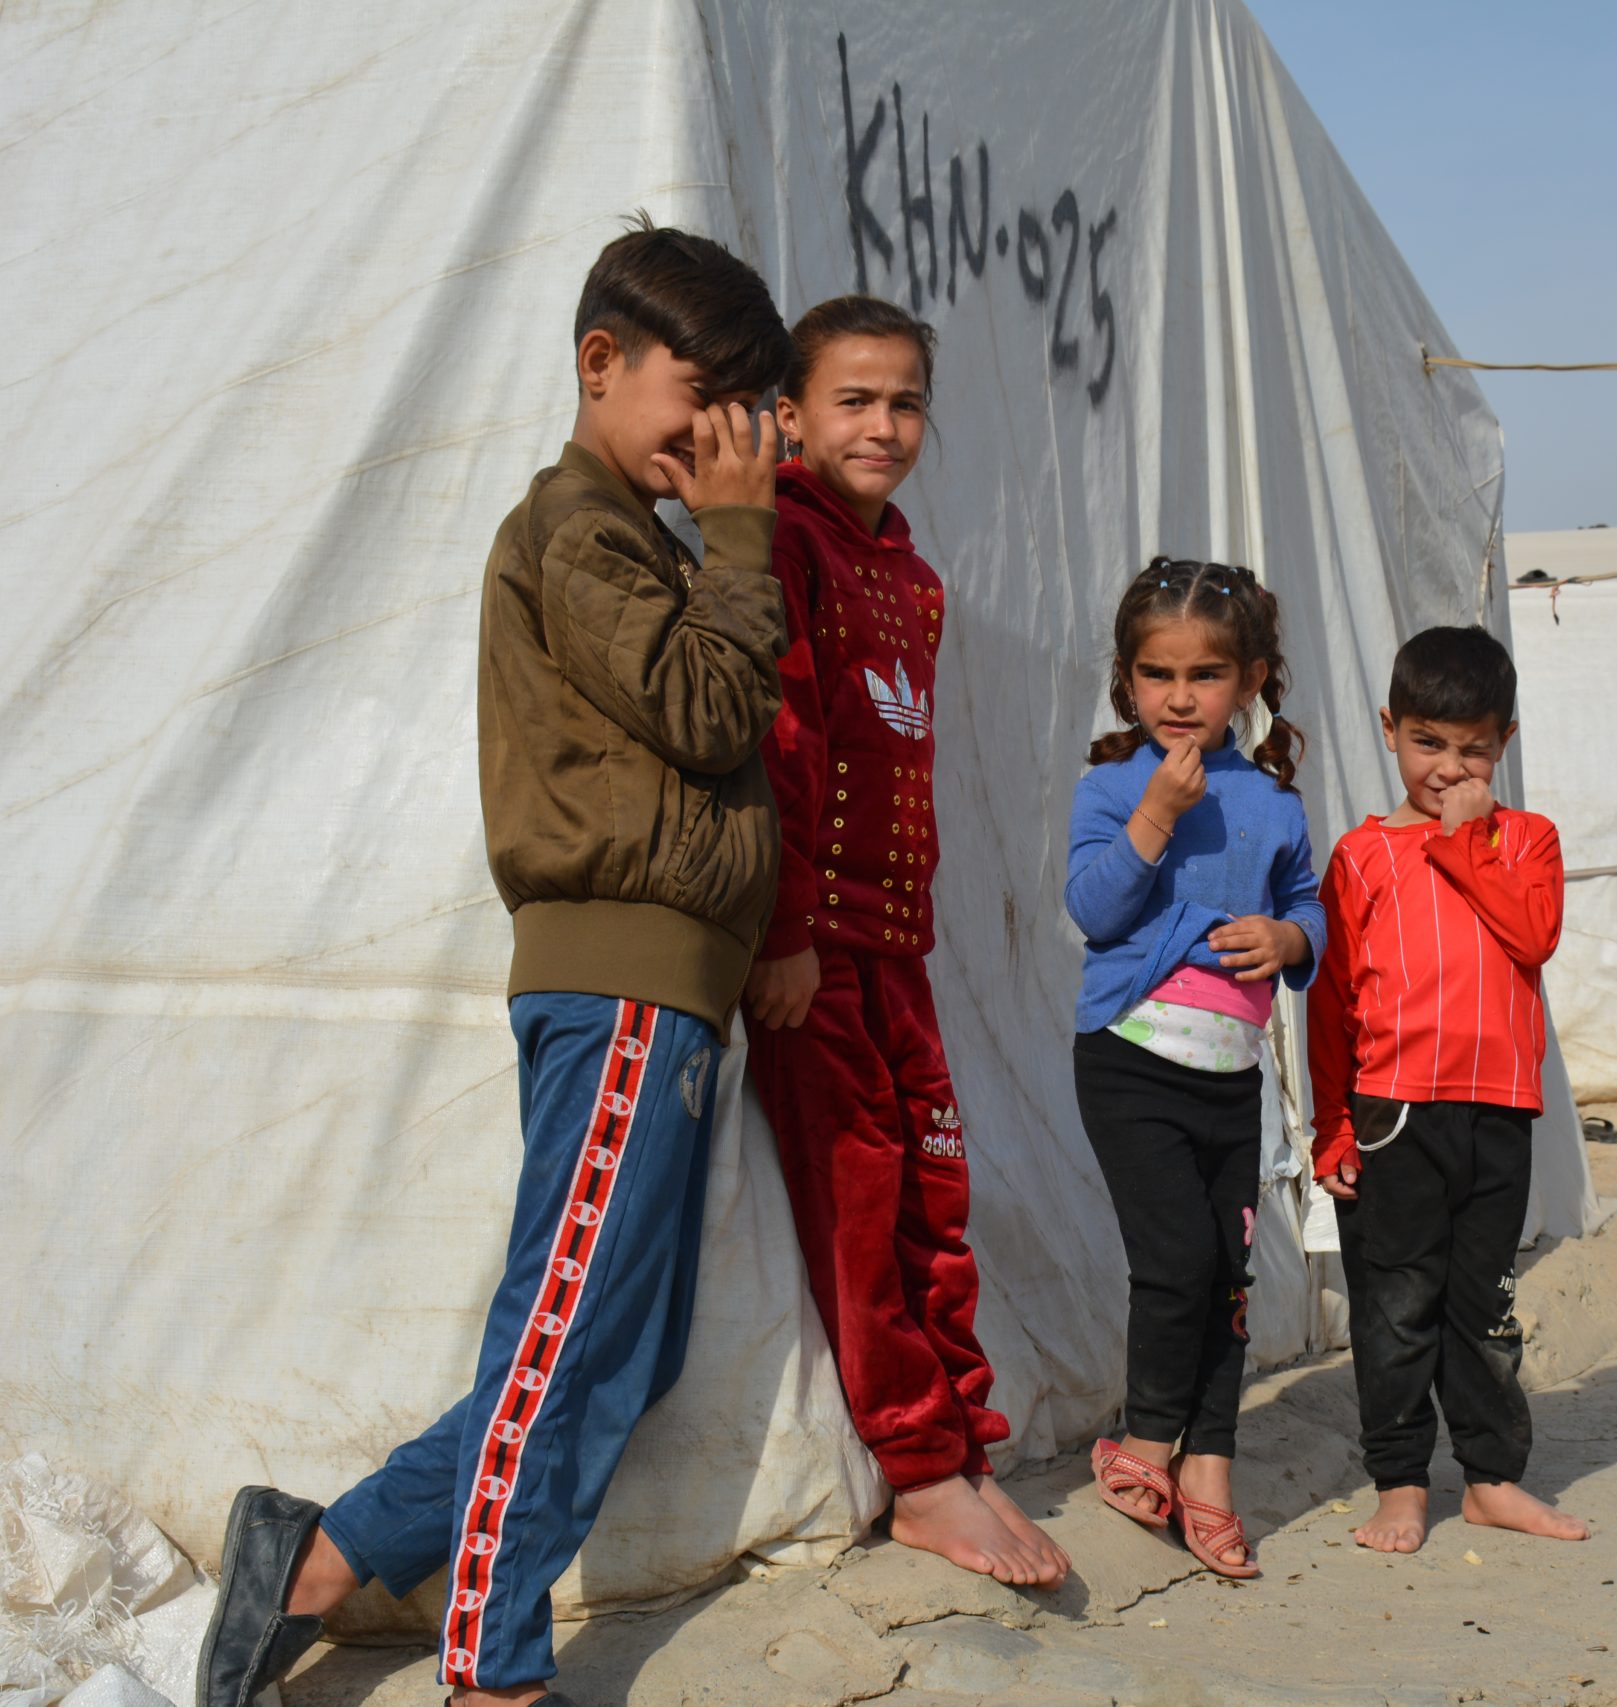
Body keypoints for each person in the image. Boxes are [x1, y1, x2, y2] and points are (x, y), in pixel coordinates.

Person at [196, 220, 794, 1707]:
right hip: (621, 984)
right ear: (600, 364)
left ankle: (324, 1557)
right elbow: (709, 714)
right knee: (558, 1332)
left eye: (746, 409)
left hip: (675, 998)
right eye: (702, 393)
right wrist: (741, 535)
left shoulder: (643, 540)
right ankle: (496, 1667)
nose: (725, 439)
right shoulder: (577, 529)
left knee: (622, 1355)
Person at [739, 296, 1068, 1588]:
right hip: (815, 941)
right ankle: (919, 1465)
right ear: (792, 414)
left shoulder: (912, 575)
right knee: (861, 1189)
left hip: (900, 937)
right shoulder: (783, 541)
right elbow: (786, 742)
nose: (882, 425)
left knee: (936, 1181)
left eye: (905, 401)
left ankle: (962, 1435)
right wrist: (783, 931)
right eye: (853, 401)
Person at [1066, 556, 1325, 1579]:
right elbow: (1093, 911)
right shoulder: (1112, 788)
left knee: (1224, 1278)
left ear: (1250, 680)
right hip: (1131, 1062)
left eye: (1204, 676)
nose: (1179, 699)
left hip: (1232, 1073)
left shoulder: (1270, 803)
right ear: (1127, 681)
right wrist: (1154, 820)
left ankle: (1209, 1470)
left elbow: (1306, 904)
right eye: (1155, 675)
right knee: (1174, 1260)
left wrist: (1289, 941)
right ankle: (1142, 1441)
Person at [1307, 625, 1588, 1556]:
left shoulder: (1526, 840)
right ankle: (1398, 1482)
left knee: (1486, 1303)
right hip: (1395, 1114)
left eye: (1473, 749)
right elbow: (1334, 1001)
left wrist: (1469, 841)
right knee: (1396, 1304)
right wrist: (1333, 1126)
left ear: (1504, 742)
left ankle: (1493, 1477)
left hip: (1500, 1111)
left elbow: (1533, 935)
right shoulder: (1361, 855)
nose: (1450, 768)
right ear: (1390, 729)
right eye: (1429, 742)